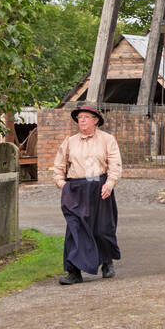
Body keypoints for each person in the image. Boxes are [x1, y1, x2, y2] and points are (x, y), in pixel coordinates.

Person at [52, 104, 122, 285]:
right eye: (79, 117)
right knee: (75, 228)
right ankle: (73, 271)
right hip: (76, 188)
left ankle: (107, 262)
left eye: (86, 117)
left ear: (95, 120)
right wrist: (62, 184)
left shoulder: (107, 140)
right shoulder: (69, 141)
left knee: (102, 227)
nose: (81, 120)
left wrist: (110, 183)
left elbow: (115, 164)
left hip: (99, 186)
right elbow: (59, 166)